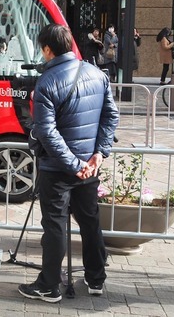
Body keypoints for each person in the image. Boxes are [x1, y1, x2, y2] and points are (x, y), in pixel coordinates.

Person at [18, 23, 119, 303]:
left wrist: (74, 164)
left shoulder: (47, 82)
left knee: (54, 224)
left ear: (48, 49)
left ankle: (49, 285)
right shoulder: (96, 73)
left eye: (42, 48)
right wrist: (98, 154)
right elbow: (111, 117)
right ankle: (96, 278)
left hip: (59, 169)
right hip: (89, 165)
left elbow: (47, 132)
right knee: (89, 222)